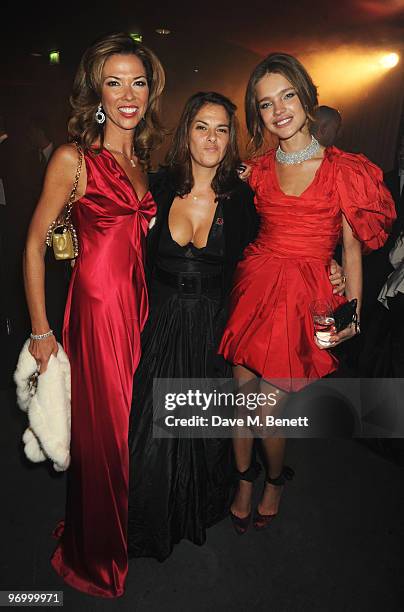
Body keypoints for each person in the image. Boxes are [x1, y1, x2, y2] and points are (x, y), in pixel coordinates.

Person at [127, 91, 345, 560]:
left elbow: (292, 233)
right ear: (186, 131)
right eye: (202, 126)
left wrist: (329, 266)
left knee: (211, 431)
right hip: (160, 329)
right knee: (147, 435)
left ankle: (247, 489)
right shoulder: (156, 188)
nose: (211, 137)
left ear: (232, 139)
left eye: (222, 129)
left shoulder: (245, 197)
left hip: (218, 330)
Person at [218, 53, 396, 534]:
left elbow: (352, 251)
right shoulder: (253, 169)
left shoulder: (345, 170)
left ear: (306, 96)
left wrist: (351, 315)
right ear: (257, 114)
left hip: (304, 296)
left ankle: (275, 478)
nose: (278, 110)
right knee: (241, 398)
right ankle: (243, 482)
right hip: (255, 286)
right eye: (265, 103)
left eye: (287, 96)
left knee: (268, 410)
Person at [23, 32, 165, 597]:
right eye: (115, 82)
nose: (128, 94)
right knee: (103, 439)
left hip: (136, 307)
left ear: (151, 91)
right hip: (98, 310)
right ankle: (94, 560)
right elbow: (34, 243)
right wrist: (41, 329)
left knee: (120, 431)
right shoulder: (73, 158)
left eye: (138, 82)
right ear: (96, 92)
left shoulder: (141, 156)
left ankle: (98, 530)